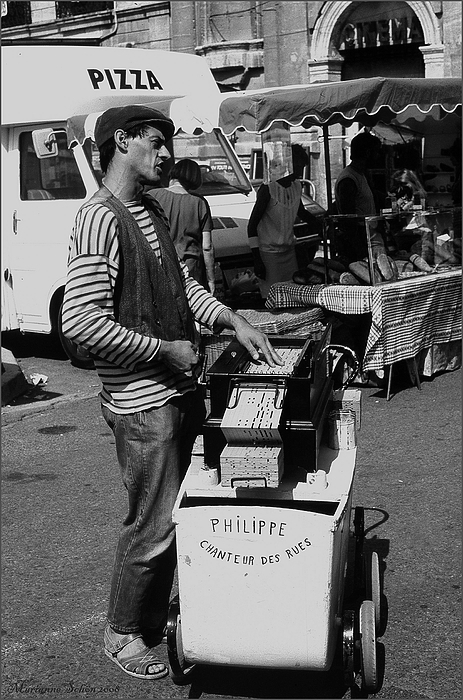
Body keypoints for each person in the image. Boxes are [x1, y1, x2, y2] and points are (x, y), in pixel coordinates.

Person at [61, 104, 283, 681]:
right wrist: (164, 351)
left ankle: (153, 616)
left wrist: (231, 320)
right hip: (141, 403)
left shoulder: (151, 209)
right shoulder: (98, 218)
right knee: (154, 522)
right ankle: (122, 631)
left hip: (177, 390)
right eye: (156, 143)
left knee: (182, 514)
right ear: (122, 143)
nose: (167, 154)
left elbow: (179, 287)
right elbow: (81, 324)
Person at [247, 143, 321, 297]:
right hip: (269, 256)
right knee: (273, 298)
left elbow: (301, 212)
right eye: (299, 167)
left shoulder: (296, 187)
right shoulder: (268, 189)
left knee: (291, 297)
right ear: (289, 165)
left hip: (289, 252)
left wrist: (322, 226)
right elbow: (251, 226)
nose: (301, 172)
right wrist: (257, 260)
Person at [151, 158, 216, 294]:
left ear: (172, 175)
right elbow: (207, 247)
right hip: (192, 272)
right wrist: (211, 280)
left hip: (159, 268)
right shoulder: (199, 203)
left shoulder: (153, 196)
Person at [334, 131, 384, 266]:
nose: (378, 156)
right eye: (376, 152)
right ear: (368, 153)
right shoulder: (348, 179)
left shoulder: (363, 175)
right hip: (359, 241)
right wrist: (361, 252)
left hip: (369, 235)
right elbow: (348, 219)